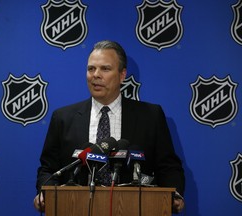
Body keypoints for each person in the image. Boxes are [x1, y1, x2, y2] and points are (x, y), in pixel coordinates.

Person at [33, 40, 185, 213]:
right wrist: (45, 193)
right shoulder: (63, 118)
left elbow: (168, 167)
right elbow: (49, 169)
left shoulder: (150, 116)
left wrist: (175, 194)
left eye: (105, 69)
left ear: (122, 75)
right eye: (91, 69)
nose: (96, 75)